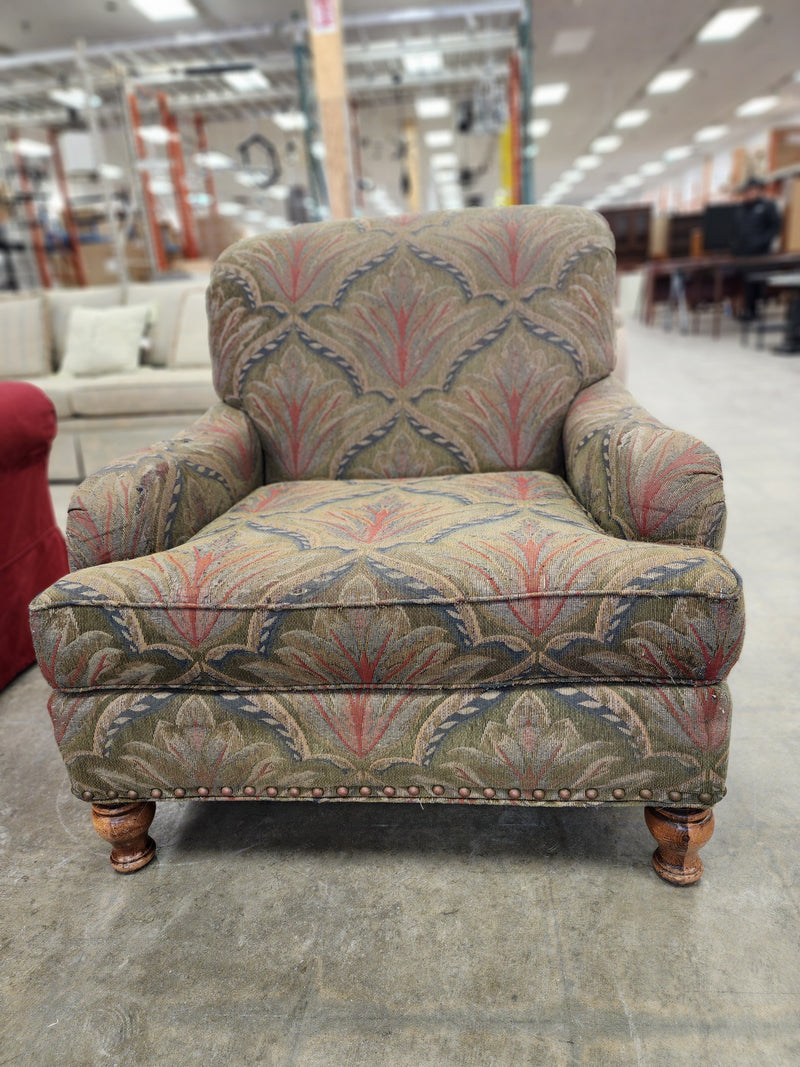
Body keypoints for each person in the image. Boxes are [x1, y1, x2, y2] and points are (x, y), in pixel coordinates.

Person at [732, 177, 782, 320]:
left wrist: (762, 242)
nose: (748, 194)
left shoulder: (768, 206)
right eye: (746, 191)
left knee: (756, 283)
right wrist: (735, 246)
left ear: (758, 190)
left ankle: (754, 311)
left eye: (751, 191)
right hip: (743, 253)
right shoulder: (742, 208)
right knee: (745, 283)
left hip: (760, 253)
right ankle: (747, 311)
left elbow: (775, 227)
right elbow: (735, 229)